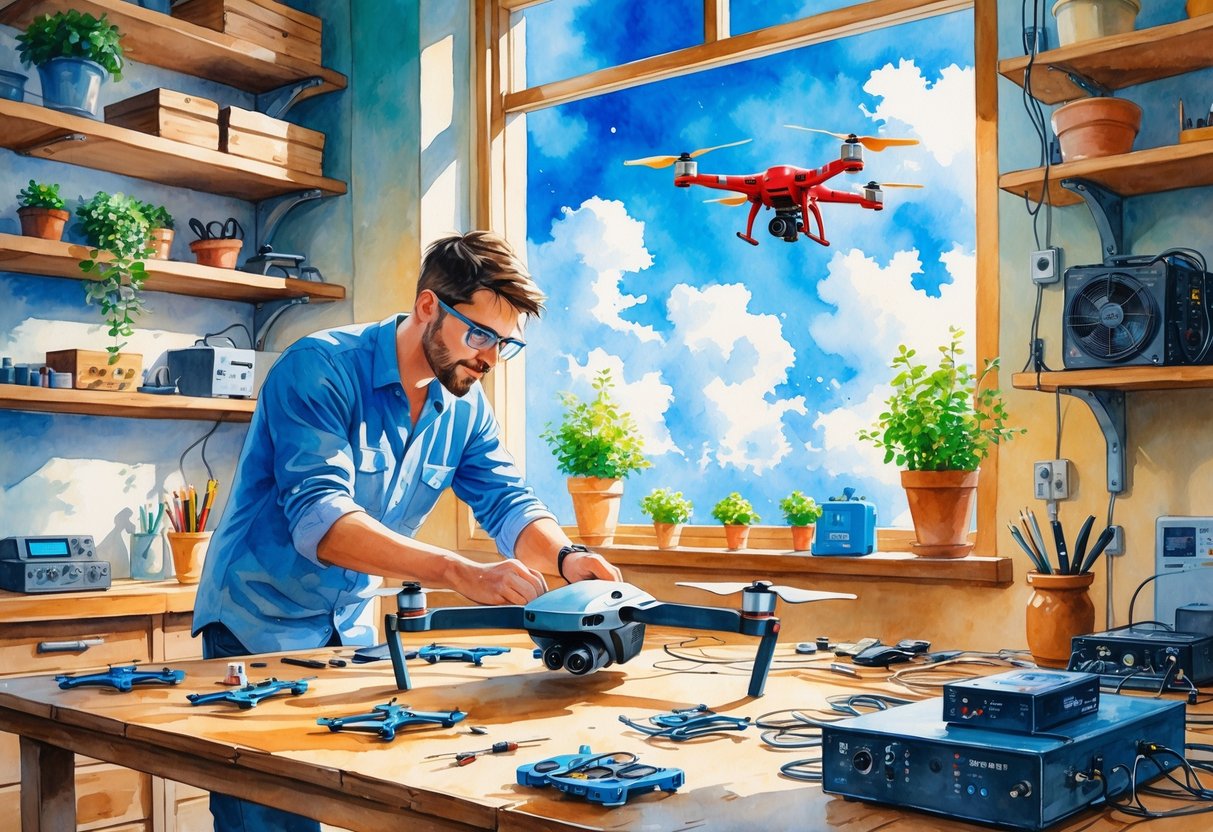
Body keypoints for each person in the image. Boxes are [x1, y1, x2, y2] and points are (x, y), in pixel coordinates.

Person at [192, 230, 621, 832]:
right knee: (271, 822)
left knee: (346, 805)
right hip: (256, 626)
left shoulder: (464, 405)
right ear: (427, 307)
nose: (490, 359)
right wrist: (458, 571)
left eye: (504, 345)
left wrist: (570, 558)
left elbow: (506, 502)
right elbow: (323, 522)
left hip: (350, 634)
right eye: (480, 335)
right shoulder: (319, 369)